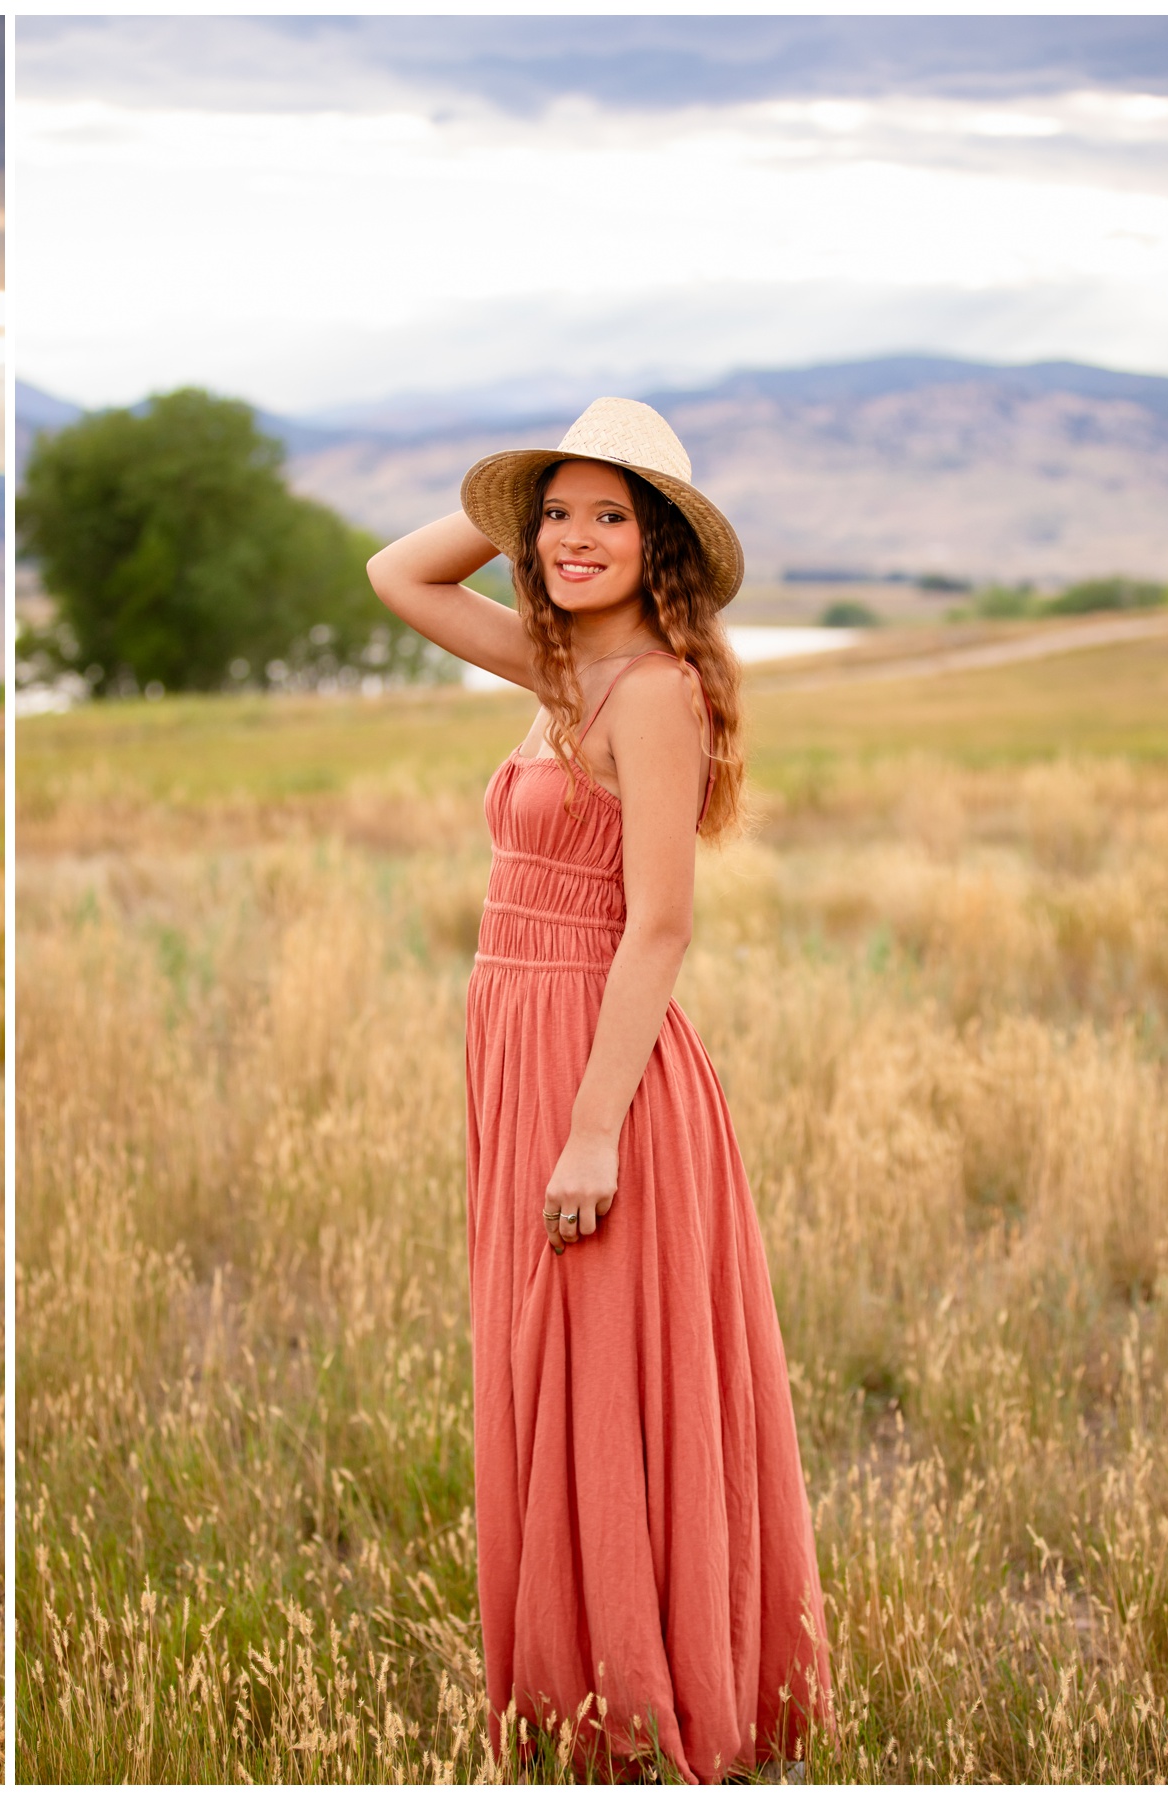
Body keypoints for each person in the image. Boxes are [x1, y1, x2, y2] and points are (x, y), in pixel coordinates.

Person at [366, 400, 830, 1782]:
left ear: (663, 543)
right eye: (554, 514)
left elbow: (662, 930)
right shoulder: (558, 673)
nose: (573, 539)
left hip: (598, 1072)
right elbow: (397, 575)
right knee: (538, 1373)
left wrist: (589, 1133)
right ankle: (574, 1696)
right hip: (515, 1040)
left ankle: (651, 1709)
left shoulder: (658, 692)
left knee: (610, 1378)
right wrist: (532, 485)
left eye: (609, 516)